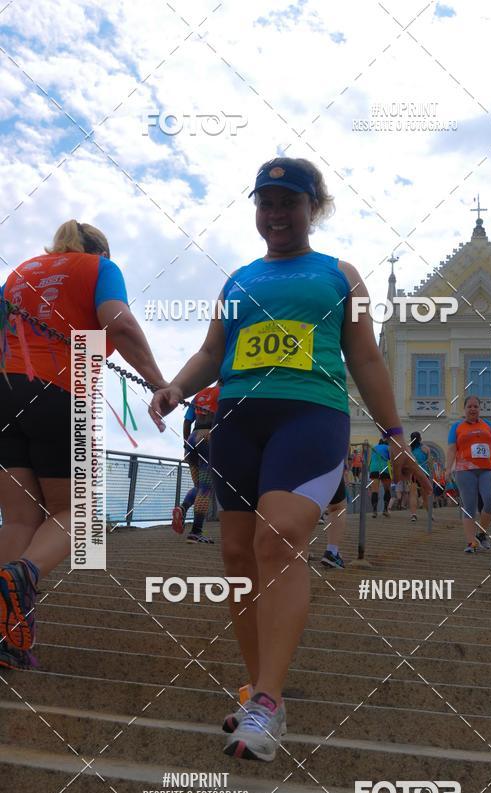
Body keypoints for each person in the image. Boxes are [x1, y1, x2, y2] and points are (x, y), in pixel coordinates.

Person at [149, 157, 431, 762]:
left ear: (313, 207)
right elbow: (211, 352)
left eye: (290, 202)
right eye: (266, 203)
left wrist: (394, 434)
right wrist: (175, 386)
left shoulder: (338, 274)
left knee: (277, 538)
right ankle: (259, 690)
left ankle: (268, 700)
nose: (276, 214)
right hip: (238, 421)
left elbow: (367, 358)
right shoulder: (239, 279)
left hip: (310, 417)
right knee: (237, 554)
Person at [0, 220, 165, 660]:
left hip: (4, 391)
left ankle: (5, 632)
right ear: (101, 251)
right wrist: (158, 381)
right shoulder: (98, 268)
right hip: (61, 391)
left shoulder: (19, 273)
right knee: (78, 511)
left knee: (18, 518)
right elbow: (119, 323)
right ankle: (24, 573)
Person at [172, 381, 220, 543]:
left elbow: (187, 421)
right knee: (206, 488)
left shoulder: (200, 394)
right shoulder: (225, 393)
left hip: (192, 438)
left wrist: (186, 444)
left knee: (199, 486)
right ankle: (196, 532)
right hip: (208, 438)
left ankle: (182, 508)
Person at [446, 396, 491, 553]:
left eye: (476, 406)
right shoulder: (457, 427)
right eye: (469, 406)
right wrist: (448, 469)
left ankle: (482, 533)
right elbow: (452, 449)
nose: (473, 409)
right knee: (469, 506)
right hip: (465, 470)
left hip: (487, 469)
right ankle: (471, 542)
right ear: (464, 409)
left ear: (480, 409)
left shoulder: (489, 425)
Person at [408, 431, 431, 522]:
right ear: (420, 438)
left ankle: (413, 515)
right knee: (425, 495)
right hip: (424, 473)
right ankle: (430, 514)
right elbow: (429, 461)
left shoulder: (409, 448)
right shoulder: (426, 448)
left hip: (414, 473)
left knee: (413, 494)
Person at [369, 438, 392, 517]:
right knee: (387, 490)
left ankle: (374, 511)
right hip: (385, 469)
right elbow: (391, 459)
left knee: (374, 491)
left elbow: (370, 459)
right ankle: (385, 510)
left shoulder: (374, 448)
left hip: (374, 468)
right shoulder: (388, 447)